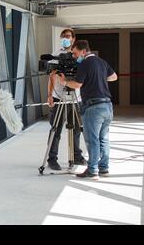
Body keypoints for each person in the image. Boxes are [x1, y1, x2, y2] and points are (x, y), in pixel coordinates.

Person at [58, 40, 118, 180]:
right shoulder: (101, 62)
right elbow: (114, 77)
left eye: (75, 53)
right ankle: (104, 168)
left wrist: (64, 82)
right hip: (107, 106)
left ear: (83, 51)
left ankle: (92, 171)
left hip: (93, 107)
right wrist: (98, 79)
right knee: (103, 139)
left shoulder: (85, 63)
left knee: (93, 140)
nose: (74, 56)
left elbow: (77, 84)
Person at [46, 28, 86, 170]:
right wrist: (50, 95)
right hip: (58, 96)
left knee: (76, 129)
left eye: (68, 36)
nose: (66, 38)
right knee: (55, 129)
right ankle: (52, 158)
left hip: (76, 97)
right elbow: (51, 77)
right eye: (63, 36)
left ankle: (76, 156)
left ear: (73, 39)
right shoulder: (56, 55)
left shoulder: (79, 55)